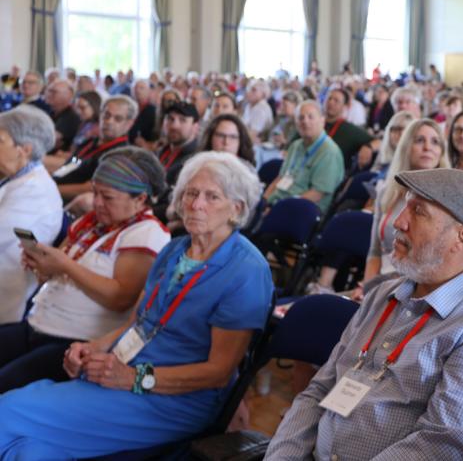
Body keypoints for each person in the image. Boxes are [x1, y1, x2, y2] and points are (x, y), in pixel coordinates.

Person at [0, 152, 273, 458]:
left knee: (7, 412)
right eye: (192, 193)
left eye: (212, 197)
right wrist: (92, 347)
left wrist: (136, 378)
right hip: (121, 374)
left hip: (175, 399)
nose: (197, 204)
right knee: (28, 450)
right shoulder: (173, 251)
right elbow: (137, 323)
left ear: (236, 209)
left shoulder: (246, 271)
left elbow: (218, 372)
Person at [265, 168, 463, 460]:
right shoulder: (382, 294)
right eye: (404, 206)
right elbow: (319, 389)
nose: (399, 222)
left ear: (461, 237)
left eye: (418, 211)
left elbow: (439, 446)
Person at [0, 147, 171, 393]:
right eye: (95, 193)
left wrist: (64, 264)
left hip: (74, 342)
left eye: (108, 197)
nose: (97, 203)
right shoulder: (90, 224)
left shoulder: (146, 233)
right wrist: (43, 268)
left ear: (140, 199)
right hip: (37, 325)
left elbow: (121, 298)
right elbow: (56, 276)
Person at [362, 119, 449, 285]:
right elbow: (374, 251)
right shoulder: (386, 193)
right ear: (406, 147)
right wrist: (368, 289)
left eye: (435, 142)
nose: (428, 147)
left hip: (417, 288)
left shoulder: (447, 202)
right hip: (379, 283)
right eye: (419, 140)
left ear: (441, 153)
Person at [0, 106, 63, 324]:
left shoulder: (34, 191)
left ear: (24, 149)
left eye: (0, 142)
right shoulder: (16, 178)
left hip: (7, 296)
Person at [50, 95, 138, 201]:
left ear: (129, 124)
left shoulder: (121, 154)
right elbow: (72, 164)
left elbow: (91, 187)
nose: (109, 121)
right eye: (106, 115)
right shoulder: (91, 141)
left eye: (118, 119)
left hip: (68, 198)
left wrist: (50, 190)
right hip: (57, 185)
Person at [263, 100, 344, 213]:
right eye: (301, 118)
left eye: (311, 117)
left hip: (302, 210)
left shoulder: (329, 152)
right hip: (278, 201)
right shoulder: (296, 145)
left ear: (322, 121)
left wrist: (280, 208)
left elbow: (317, 193)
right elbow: (281, 177)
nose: (305, 122)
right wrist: (264, 200)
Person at [323, 88, 373, 170]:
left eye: (336, 100)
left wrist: (368, 147)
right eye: (329, 98)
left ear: (345, 106)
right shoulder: (314, 123)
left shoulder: (349, 129)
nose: (331, 102)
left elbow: (377, 141)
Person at [371, 110, 415, 175]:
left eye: (407, 130)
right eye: (397, 129)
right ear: (388, 133)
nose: (401, 133)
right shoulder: (382, 155)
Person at [44, 79, 81, 153]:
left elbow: (48, 140)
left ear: (68, 95)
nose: (48, 94)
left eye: (54, 92)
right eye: (48, 91)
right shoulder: (52, 112)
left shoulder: (71, 116)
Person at [128, 79, 158, 148]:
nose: (137, 90)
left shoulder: (154, 110)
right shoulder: (127, 108)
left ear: (148, 91)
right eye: (135, 88)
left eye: (141, 88)